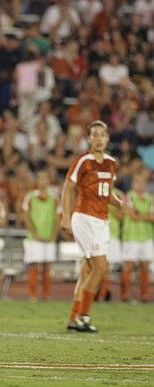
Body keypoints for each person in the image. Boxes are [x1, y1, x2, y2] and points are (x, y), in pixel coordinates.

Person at [61, 120, 121, 332]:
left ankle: (73, 317)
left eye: (102, 135)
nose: (98, 138)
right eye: (94, 134)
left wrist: (119, 202)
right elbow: (68, 188)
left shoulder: (111, 163)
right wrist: (65, 216)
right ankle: (83, 317)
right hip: (84, 218)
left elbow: (108, 192)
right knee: (100, 267)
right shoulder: (83, 161)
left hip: (102, 221)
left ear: (107, 139)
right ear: (89, 138)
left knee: (88, 270)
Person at [22, 170, 59, 301]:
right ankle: (33, 295)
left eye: (45, 179)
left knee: (47, 267)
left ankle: (46, 295)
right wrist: (34, 233)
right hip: (34, 238)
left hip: (49, 237)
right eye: (40, 179)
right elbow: (26, 217)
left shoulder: (54, 198)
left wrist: (54, 234)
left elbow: (57, 217)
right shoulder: (30, 196)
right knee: (34, 266)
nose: (43, 182)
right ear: (36, 181)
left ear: (49, 181)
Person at [120, 172, 153, 303]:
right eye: (138, 181)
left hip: (147, 236)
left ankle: (144, 295)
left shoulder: (150, 197)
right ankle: (125, 295)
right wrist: (146, 216)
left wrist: (141, 214)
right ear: (133, 183)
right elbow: (133, 216)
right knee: (128, 265)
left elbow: (152, 217)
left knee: (145, 266)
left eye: (143, 181)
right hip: (131, 236)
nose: (140, 184)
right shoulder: (129, 196)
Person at [97, 187, 123, 301]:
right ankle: (98, 293)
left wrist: (107, 204)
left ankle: (102, 294)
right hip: (97, 233)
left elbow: (121, 216)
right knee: (97, 267)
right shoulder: (96, 190)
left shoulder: (118, 194)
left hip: (112, 235)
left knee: (104, 268)